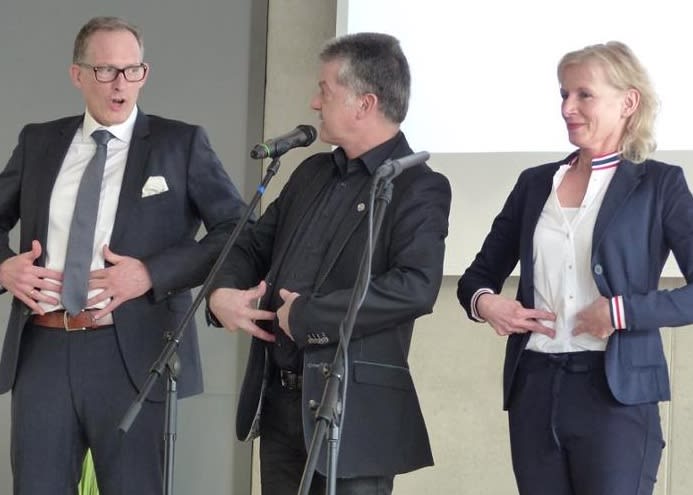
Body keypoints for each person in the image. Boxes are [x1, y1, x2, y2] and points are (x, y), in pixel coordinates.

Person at [0, 16, 247, 495]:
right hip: (43, 348)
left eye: (133, 70)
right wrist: (4, 267)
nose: (121, 84)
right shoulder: (39, 141)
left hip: (133, 352)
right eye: (106, 70)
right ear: (77, 74)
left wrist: (151, 274)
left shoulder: (180, 144)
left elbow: (238, 230)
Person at [208, 32, 451, 495]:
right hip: (280, 403)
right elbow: (251, 245)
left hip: (353, 414)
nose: (314, 103)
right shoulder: (311, 172)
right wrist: (222, 293)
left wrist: (306, 317)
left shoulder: (418, 186)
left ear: (365, 103)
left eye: (325, 90)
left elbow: (415, 287)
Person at [458, 40, 693, 495]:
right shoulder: (534, 184)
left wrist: (621, 312)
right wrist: (488, 305)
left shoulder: (660, 185)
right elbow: (477, 278)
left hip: (615, 395)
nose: (568, 107)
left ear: (628, 102)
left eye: (584, 94)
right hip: (534, 387)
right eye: (564, 94)